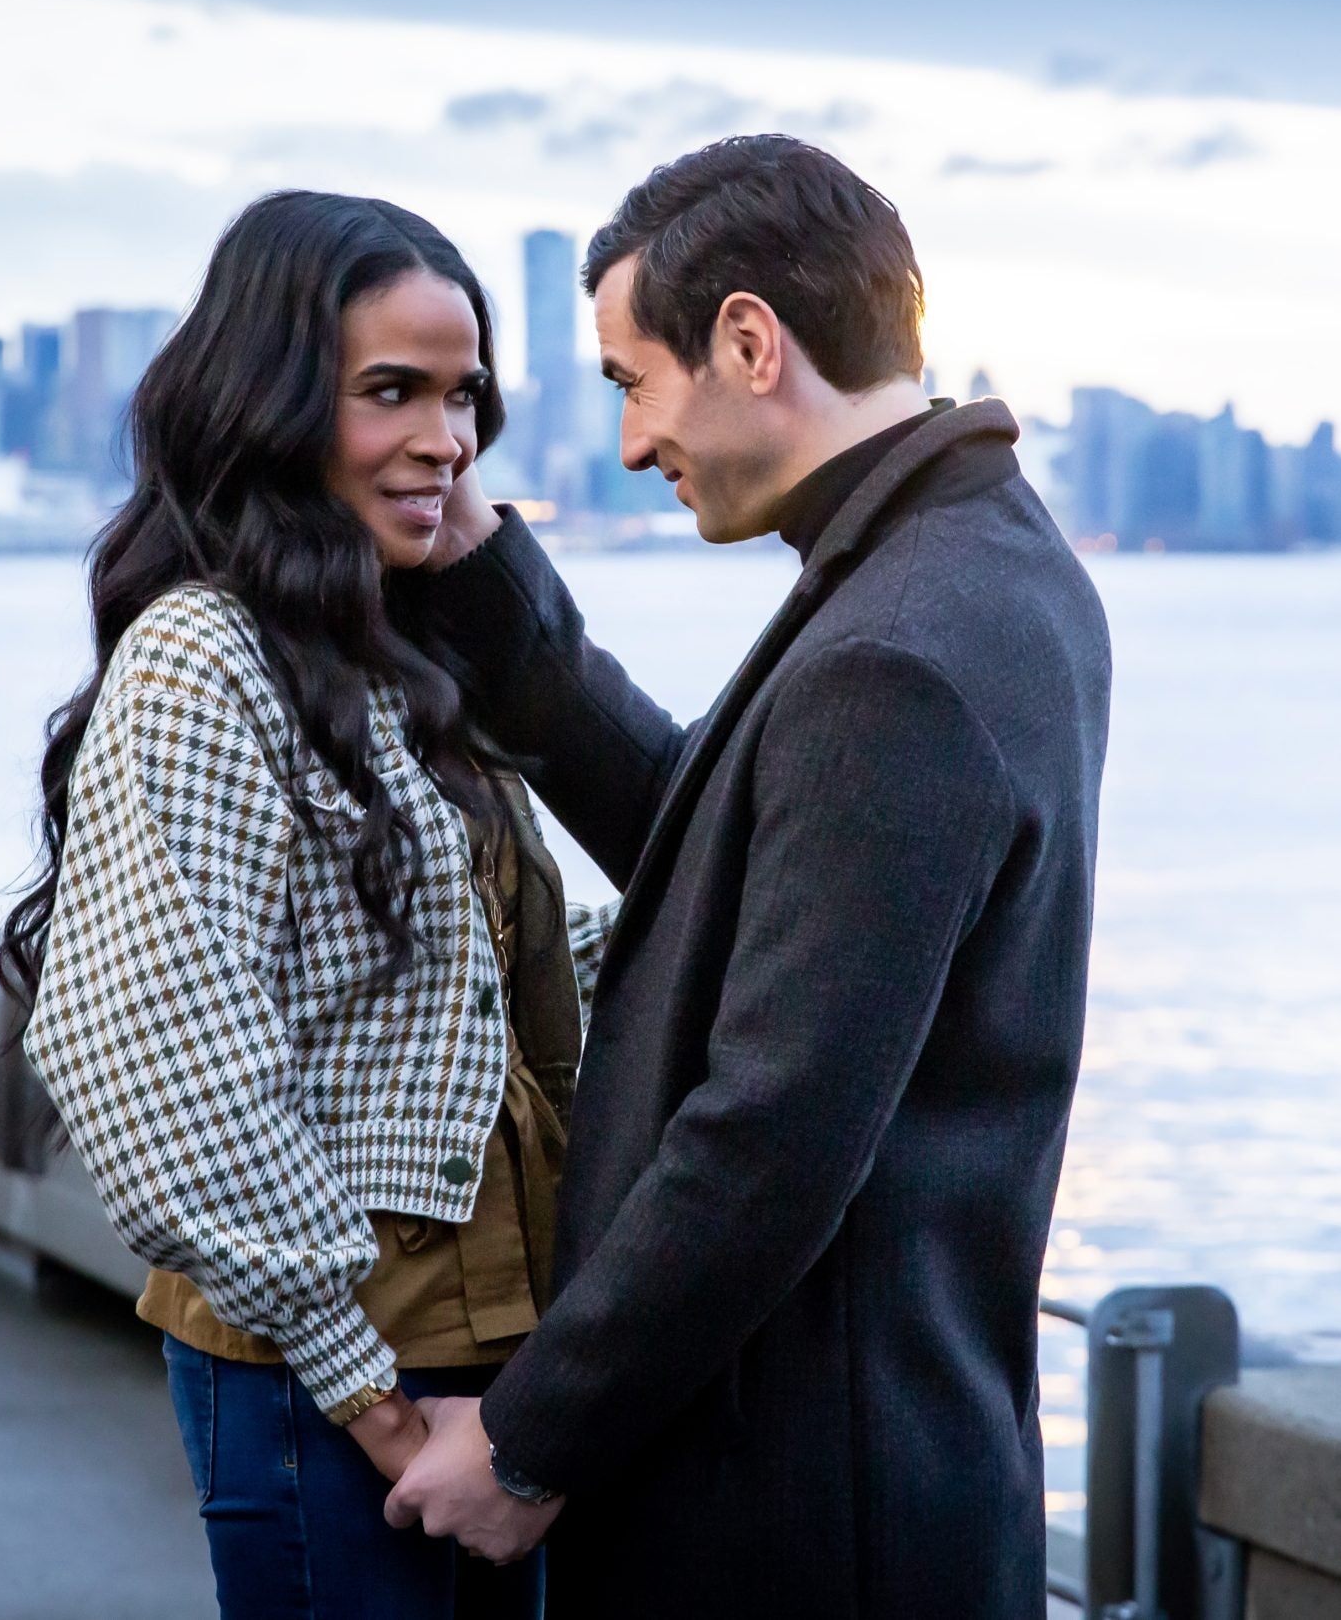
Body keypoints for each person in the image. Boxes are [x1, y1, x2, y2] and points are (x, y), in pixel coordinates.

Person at [384, 135, 1113, 1618]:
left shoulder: (897, 653)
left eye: (631, 384)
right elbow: (725, 855)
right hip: (885, 1465)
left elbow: (769, 1133)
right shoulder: (982, 565)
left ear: (747, 342)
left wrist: (527, 1443)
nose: (636, 444)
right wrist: (494, 599)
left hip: (794, 1522)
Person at [0, 191, 606, 1620]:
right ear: (271, 406)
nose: (443, 440)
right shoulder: (203, 658)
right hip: (332, 1376)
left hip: (493, 1358)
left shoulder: (394, 657)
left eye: (463, 400)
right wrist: (376, 1401)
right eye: (389, 392)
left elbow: (482, 980)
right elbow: (158, 1055)